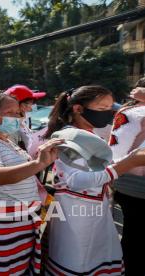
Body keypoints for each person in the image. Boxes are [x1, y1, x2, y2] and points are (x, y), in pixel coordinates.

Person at [42, 85, 145, 275]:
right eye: (101, 109)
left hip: (95, 209)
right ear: (78, 109)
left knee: (96, 259)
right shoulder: (67, 137)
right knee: (77, 260)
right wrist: (128, 163)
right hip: (75, 214)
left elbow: (101, 168)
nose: (108, 114)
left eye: (109, 109)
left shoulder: (91, 133)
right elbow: (75, 180)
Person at [0, 92, 61, 275]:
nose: (17, 117)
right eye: (10, 113)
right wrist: (38, 164)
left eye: (18, 113)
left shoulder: (7, 141)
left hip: (17, 225)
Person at [110, 81, 145, 275]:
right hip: (136, 188)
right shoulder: (134, 113)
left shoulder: (127, 112)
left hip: (124, 185)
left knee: (133, 237)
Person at [4, 84, 46, 151]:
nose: (33, 105)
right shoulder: (10, 129)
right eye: (31, 102)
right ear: (20, 104)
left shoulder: (22, 122)